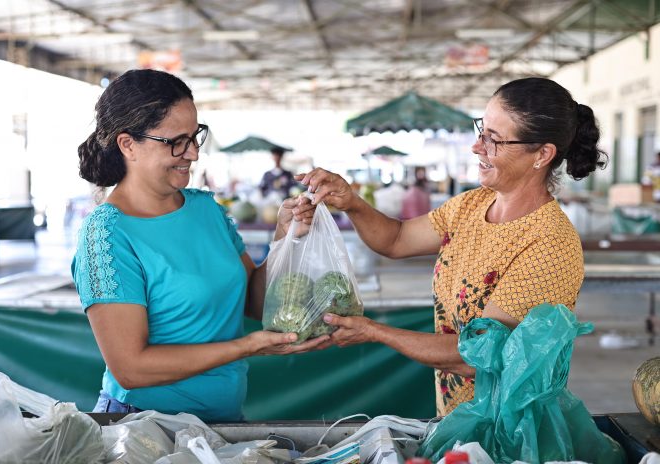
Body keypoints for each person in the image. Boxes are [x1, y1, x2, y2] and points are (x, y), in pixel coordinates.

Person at [297, 77, 607, 416]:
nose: (477, 147)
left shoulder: (548, 243)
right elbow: (397, 239)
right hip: (456, 417)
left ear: (542, 154)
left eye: (495, 140)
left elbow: (477, 357)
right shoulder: (473, 205)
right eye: (481, 131)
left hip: (509, 427)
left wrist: (374, 331)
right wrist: (351, 202)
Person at [72, 69, 327, 420]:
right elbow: (131, 368)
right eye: (176, 141)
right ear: (127, 144)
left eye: (195, 137)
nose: (192, 153)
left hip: (222, 422)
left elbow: (254, 301)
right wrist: (247, 347)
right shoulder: (107, 234)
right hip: (143, 426)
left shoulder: (206, 208)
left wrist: (284, 236)